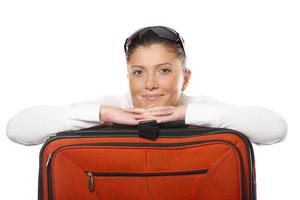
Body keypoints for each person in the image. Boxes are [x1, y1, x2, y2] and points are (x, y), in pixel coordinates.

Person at [6, 26, 287, 146]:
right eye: (138, 72)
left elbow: (275, 129)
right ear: (128, 76)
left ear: (185, 78)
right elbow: (17, 130)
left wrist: (184, 115)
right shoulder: (115, 105)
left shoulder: (200, 108)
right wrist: (104, 114)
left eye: (164, 71)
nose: (150, 84)